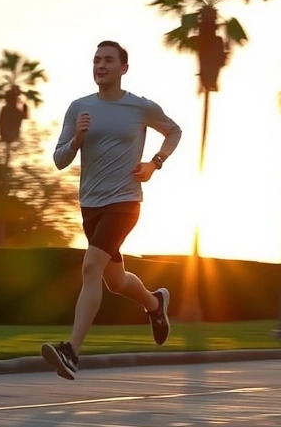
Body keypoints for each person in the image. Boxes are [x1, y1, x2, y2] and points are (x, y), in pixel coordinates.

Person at [41, 40, 183, 380]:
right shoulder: (79, 108)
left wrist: (155, 163)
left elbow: (174, 131)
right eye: (96, 60)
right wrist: (77, 140)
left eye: (107, 60)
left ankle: (71, 352)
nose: (100, 65)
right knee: (115, 281)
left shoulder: (139, 107)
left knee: (91, 267)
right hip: (90, 205)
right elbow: (59, 160)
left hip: (125, 202)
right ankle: (155, 304)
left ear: (123, 68)